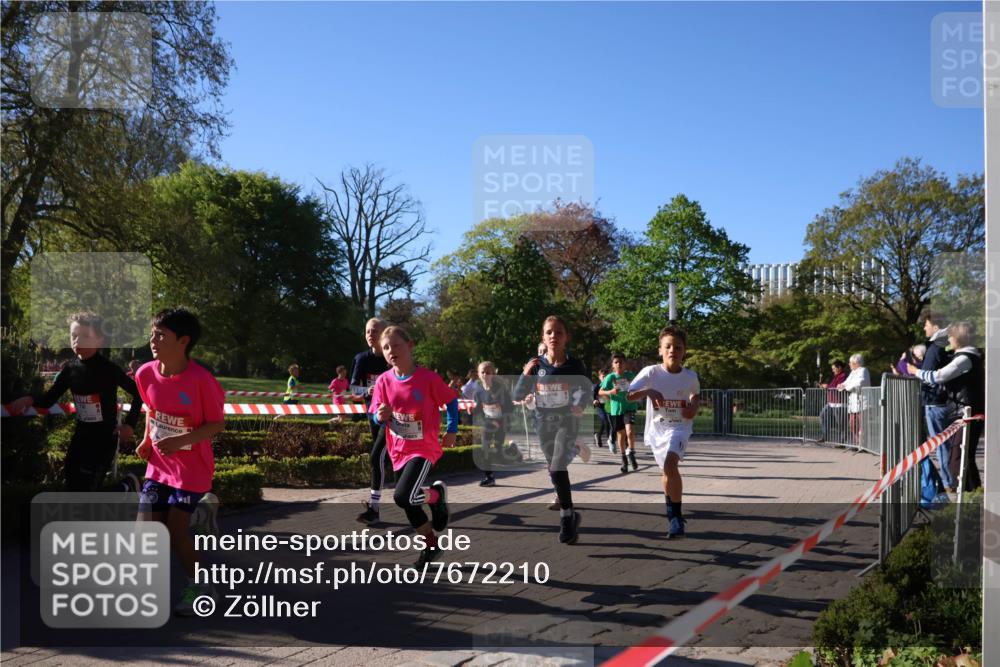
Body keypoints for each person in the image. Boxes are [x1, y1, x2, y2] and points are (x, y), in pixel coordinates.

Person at [133, 307, 225, 615]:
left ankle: (201, 588)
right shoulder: (145, 373)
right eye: (152, 334)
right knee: (146, 530)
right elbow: (151, 409)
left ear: (183, 341)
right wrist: (148, 439)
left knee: (175, 531)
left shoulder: (202, 380)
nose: (153, 340)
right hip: (159, 466)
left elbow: (215, 424)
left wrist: (179, 441)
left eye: (161, 335)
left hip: (192, 470)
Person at [10, 312, 143, 492]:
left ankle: (127, 486)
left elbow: (138, 393)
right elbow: (49, 400)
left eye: (85, 336)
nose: (77, 341)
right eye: (73, 336)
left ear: (100, 340)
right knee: (73, 489)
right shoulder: (70, 369)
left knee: (86, 495)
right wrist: (30, 398)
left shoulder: (109, 369)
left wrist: (129, 425)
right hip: (80, 438)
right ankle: (126, 487)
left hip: (104, 439)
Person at [369, 325, 457, 567]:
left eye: (396, 345)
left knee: (402, 495)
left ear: (410, 346)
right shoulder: (384, 382)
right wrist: (380, 416)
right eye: (386, 347)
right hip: (398, 449)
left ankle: (436, 496)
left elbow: (451, 401)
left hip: (423, 447)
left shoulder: (428, 378)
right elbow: (374, 415)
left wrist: (451, 430)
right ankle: (431, 545)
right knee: (407, 501)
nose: (391, 350)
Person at [513, 315, 591, 545]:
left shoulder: (574, 365)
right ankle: (570, 512)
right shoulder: (536, 365)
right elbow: (518, 395)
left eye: (558, 332)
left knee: (557, 465)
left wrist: (580, 404)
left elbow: (587, 389)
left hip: (566, 423)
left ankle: (566, 517)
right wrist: (525, 373)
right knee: (555, 470)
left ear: (566, 337)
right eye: (549, 332)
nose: (553, 336)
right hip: (543, 424)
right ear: (543, 337)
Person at [627, 325, 700, 538]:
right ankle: (671, 514)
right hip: (657, 429)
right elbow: (629, 395)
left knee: (670, 464)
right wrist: (649, 391)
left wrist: (693, 407)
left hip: (679, 427)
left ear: (684, 351)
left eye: (678, 347)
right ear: (660, 350)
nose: (672, 351)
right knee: (665, 471)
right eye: (668, 346)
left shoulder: (690, 376)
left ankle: (676, 518)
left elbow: (695, 395)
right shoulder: (651, 372)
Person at [910, 321, 984, 492]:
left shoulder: (964, 358)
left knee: (958, 460)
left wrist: (915, 371)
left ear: (958, 337)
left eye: (950, 336)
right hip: (965, 412)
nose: (948, 339)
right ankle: (974, 497)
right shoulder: (965, 357)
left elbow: (938, 376)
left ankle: (969, 500)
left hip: (967, 413)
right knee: (963, 458)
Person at [351, 318, 391, 524]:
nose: (370, 334)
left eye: (375, 331)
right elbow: (354, 391)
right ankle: (430, 496)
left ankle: (374, 509)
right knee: (384, 460)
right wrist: (368, 390)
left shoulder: (392, 357)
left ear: (384, 333)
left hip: (393, 418)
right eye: (367, 331)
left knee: (377, 458)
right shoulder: (361, 359)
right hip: (373, 416)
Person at [917, 310, 955, 491]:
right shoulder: (946, 344)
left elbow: (928, 375)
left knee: (941, 445)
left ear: (936, 327)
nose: (924, 328)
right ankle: (951, 480)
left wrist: (914, 371)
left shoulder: (936, 347)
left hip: (935, 402)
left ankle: (949, 482)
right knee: (945, 444)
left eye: (926, 325)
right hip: (942, 401)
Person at [473, 361, 513, 487]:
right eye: (483, 372)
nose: (485, 375)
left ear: (493, 374)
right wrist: (473, 410)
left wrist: (500, 422)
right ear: (479, 374)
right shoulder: (478, 391)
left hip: (502, 422)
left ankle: (510, 450)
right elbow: (480, 410)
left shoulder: (501, 389)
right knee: (485, 448)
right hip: (489, 422)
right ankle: (488, 476)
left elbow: (510, 408)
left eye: (488, 372)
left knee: (498, 450)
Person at [599, 353, 640, 473]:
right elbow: (601, 392)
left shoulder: (630, 375)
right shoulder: (610, 377)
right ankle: (624, 458)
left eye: (621, 362)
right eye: (616, 362)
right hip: (616, 409)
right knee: (621, 435)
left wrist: (634, 391)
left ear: (625, 364)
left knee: (630, 431)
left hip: (629, 406)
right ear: (613, 365)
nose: (619, 364)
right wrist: (610, 391)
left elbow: (637, 387)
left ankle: (631, 452)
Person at [840, 354, 871, 446]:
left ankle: (863, 444)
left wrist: (847, 387)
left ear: (856, 363)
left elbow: (859, 383)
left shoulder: (863, 370)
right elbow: (846, 382)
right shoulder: (852, 372)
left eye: (850, 363)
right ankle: (857, 442)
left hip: (863, 403)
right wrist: (841, 385)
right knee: (853, 424)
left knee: (863, 425)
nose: (849, 364)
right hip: (853, 404)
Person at [816, 360, 848, 443]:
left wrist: (827, 386)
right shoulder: (836, 376)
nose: (832, 370)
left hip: (840, 404)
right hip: (831, 403)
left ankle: (842, 442)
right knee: (823, 416)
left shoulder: (843, 376)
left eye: (834, 368)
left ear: (839, 368)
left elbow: (838, 387)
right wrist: (825, 386)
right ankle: (825, 436)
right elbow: (832, 386)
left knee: (841, 423)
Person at [592, 368, 613, 452]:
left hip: (608, 406)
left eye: (606, 376)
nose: (605, 378)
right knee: (605, 420)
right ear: (599, 377)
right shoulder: (597, 387)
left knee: (607, 422)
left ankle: (598, 435)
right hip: (600, 407)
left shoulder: (610, 386)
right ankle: (609, 440)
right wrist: (594, 400)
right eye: (603, 376)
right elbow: (592, 397)